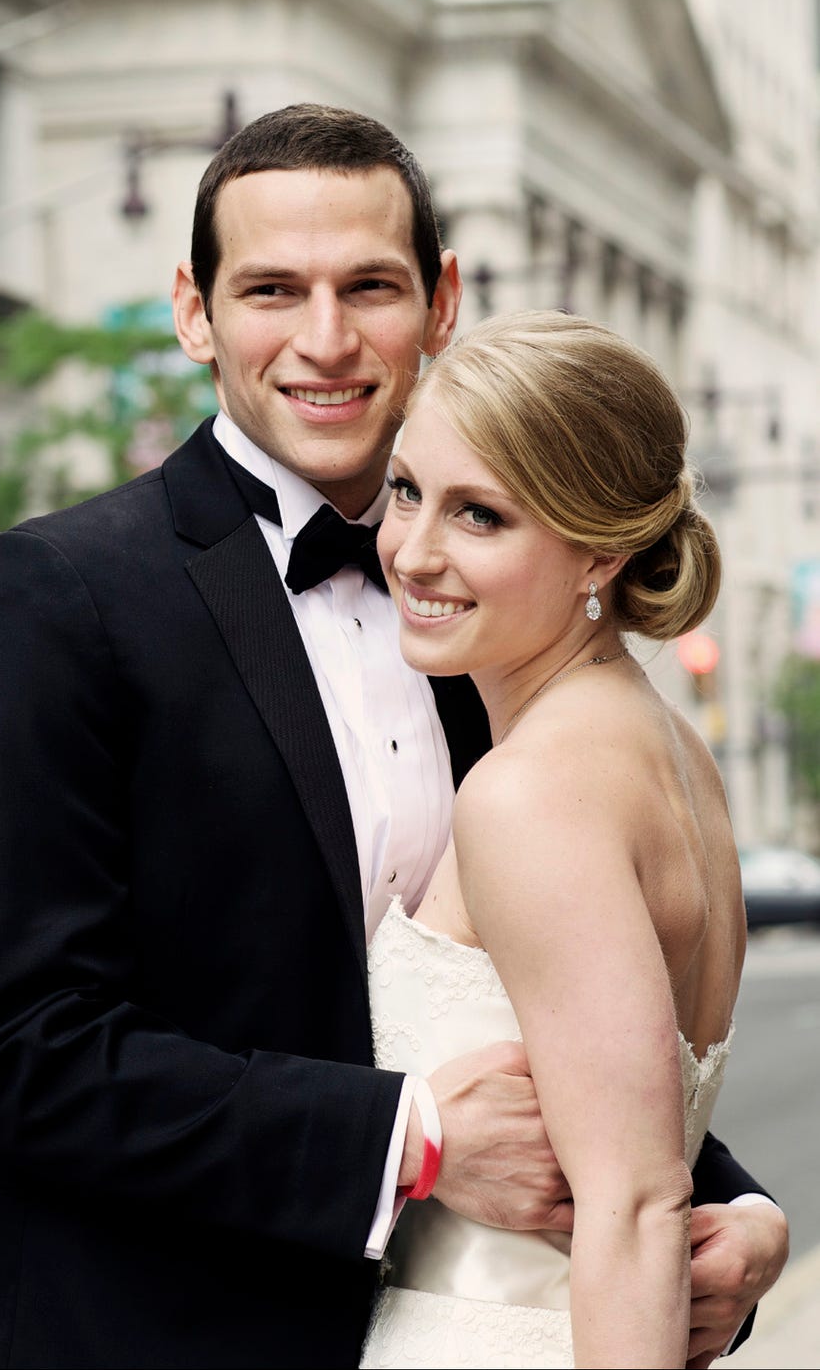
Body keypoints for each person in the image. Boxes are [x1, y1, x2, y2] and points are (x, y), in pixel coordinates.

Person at [0, 104, 785, 1370]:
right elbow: (20, 1053)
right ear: (193, 312)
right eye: (270, 288)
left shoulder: (487, 627)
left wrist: (733, 1216)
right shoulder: (45, 599)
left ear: (439, 302)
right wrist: (407, 1135)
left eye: (368, 285)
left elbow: (559, 1010)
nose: (324, 339)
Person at [361, 310, 772, 1369]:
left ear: (599, 547)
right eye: (406, 489)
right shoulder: (668, 747)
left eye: (479, 515)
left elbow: (635, 1202)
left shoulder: (528, 793)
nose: (413, 549)